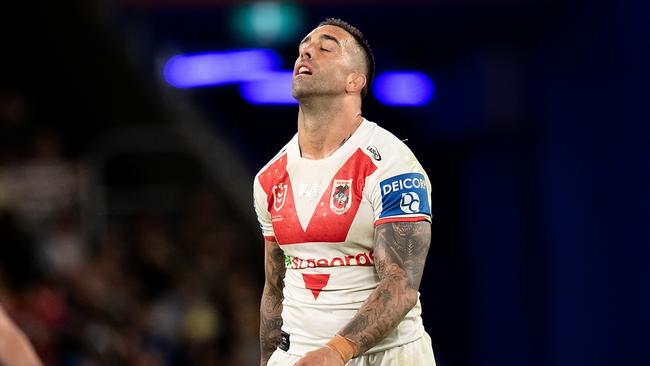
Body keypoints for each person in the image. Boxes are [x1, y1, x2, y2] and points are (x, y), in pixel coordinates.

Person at [253, 18, 436, 366]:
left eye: (325, 48)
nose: (306, 51)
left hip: (386, 357)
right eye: (304, 47)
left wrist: (336, 352)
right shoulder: (269, 178)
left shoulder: (392, 166)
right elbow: (275, 288)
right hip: (298, 356)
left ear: (355, 81)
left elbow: (401, 285)